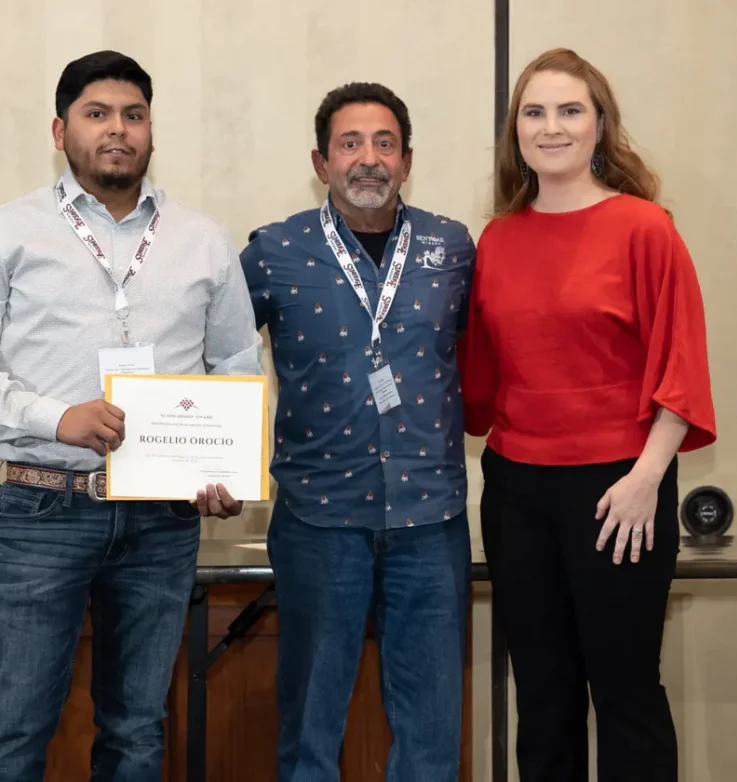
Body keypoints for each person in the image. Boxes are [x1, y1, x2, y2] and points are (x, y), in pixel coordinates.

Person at [0, 50, 260, 782]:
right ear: (59, 129)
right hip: (44, 506)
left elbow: (237, 369)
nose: (118, 130)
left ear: (150, 132)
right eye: (97, 114)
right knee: (13, 731)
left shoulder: (202, 238)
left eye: (133, 115)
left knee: (137, 733)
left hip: (162, 522)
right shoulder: (4, 232)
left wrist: (222, 472)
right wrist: (54, 418)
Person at [460, 48, 717, 782]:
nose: (552, 127)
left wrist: (645, 480)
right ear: (516, 132)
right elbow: (478, 381)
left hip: (619, 490)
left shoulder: (645, 229)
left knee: (627, 692)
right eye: (534, 113)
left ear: (601, 125)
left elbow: (682, 368)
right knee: (542, 699)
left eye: (570, 110)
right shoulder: (498, 239)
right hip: (516, 493)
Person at [240, 83, 475, 782]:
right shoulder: (273, 251)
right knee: (310, 730)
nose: (367, 159)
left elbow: (494, 352)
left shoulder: (452, 247)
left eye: (384, 143)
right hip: (319, 523)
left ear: (407, 160)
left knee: (432, 736)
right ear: (320, 161)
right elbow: (214, 358)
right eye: (350, 144)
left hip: (431, 522)